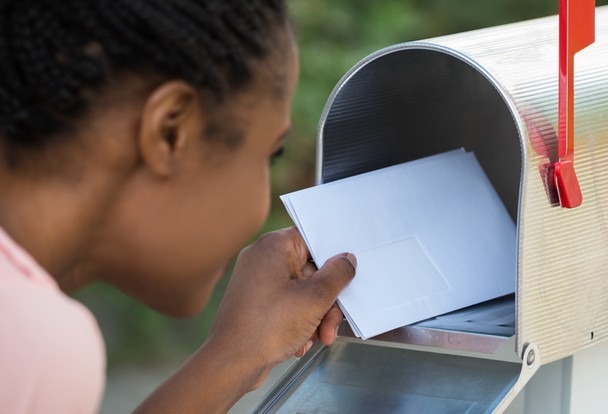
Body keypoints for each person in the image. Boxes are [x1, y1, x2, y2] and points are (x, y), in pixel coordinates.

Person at [0, 1, 357, 412]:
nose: (261, 208)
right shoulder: (30, 339)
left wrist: (239, 354)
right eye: (269, 153)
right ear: (171, 131)